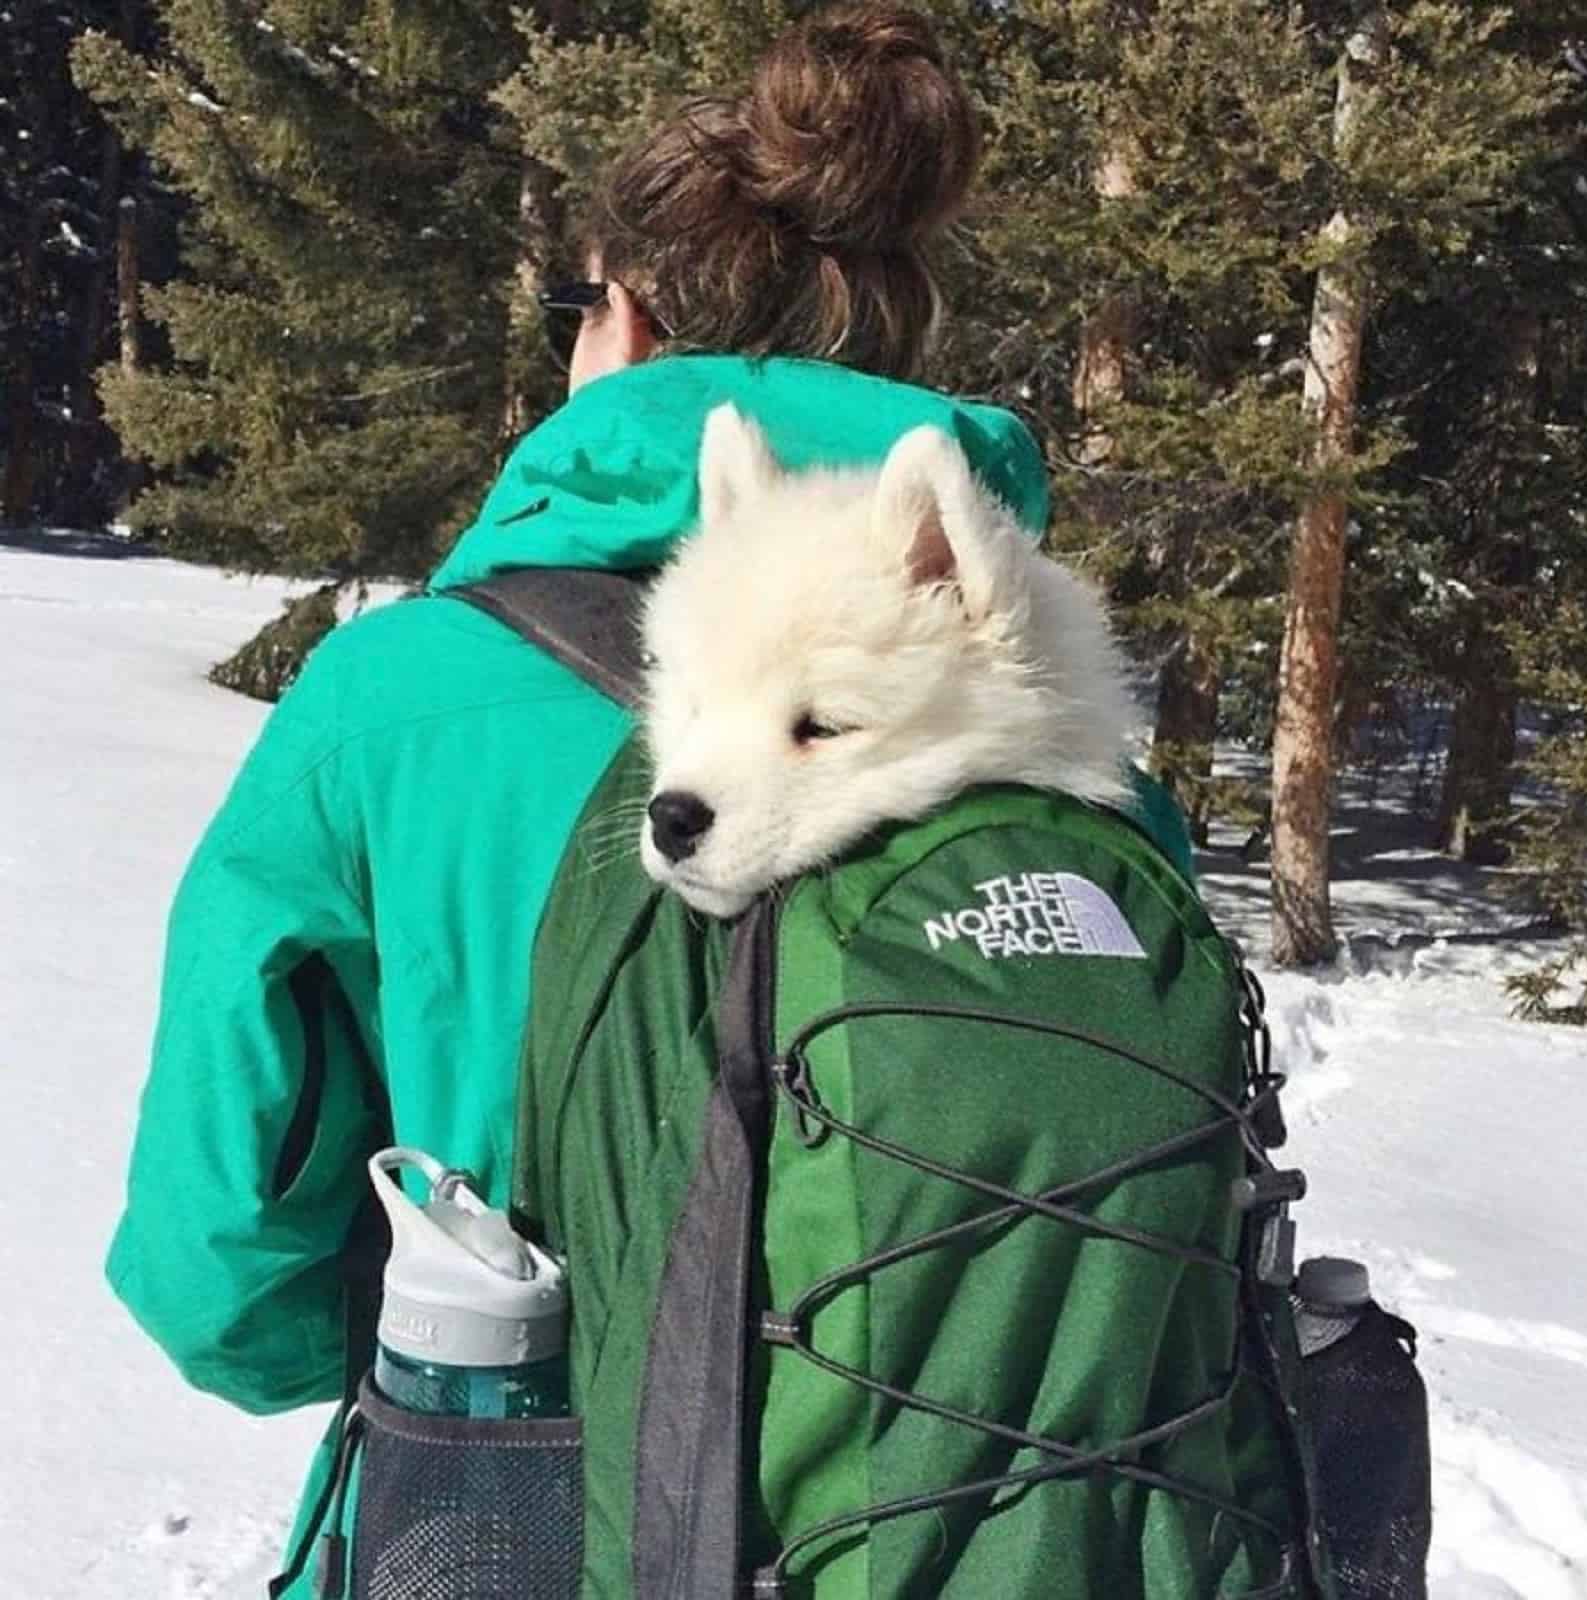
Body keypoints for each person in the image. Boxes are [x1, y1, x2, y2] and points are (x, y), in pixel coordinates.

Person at [106, 6, 1183, 1593]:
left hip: (508, 1513)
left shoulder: (392, 699)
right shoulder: (1052, 730)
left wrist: (375, 1350)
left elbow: (214, 1256)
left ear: (616, 324)